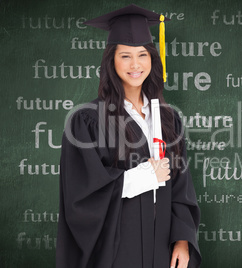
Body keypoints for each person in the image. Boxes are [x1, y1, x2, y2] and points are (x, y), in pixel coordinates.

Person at [56, 4, 201, 268]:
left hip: (163, 248)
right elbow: (80, 194)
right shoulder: (88, 120)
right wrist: (145, 176)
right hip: (117, 248)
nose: (135, 64)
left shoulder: (168, 119)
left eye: (143, 55)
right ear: (111, 60)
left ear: (152, 60)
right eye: (125, 56)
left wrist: (182, 240)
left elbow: (182, 185)